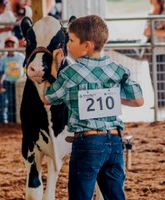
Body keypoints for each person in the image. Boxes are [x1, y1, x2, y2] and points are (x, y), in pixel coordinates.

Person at [43, 15, 144, 200]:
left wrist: (54, 67)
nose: (68, 44)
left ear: (87, 45)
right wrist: (110, 93)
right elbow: (138, 100)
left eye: (71, 40)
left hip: (87, 142)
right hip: (114, 141)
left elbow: (48, 97)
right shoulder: (118, 69)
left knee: (80, 195)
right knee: (115, 194)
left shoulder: (71, 72)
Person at [0, 35, 25, 123]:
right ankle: (7, 123)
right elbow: (1, 73)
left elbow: (26, 69)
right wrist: (0, 84)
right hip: (8, 82)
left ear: (16, 46)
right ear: (5, 47)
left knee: (18, 103)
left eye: (12, 45)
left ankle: (18, 121)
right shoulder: (3, 59)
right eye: (8, 45)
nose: (10, 47)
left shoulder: (21, 56)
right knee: (8, 103)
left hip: (18, 83)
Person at [143, 0, 165, 107]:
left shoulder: (163, 12)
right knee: (154, 78)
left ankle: (161, 104)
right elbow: (145, 31)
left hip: (162, 50)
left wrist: (151, 31)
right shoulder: (151, 12)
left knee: (161, 77)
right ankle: (159, 103)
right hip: (152, 50)